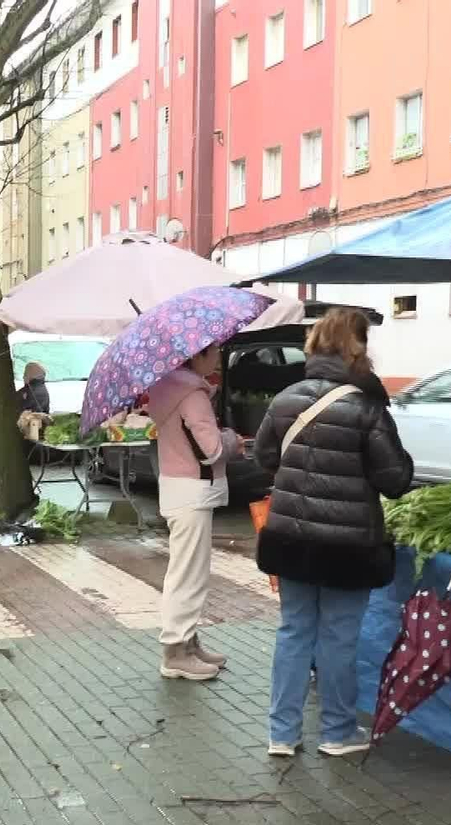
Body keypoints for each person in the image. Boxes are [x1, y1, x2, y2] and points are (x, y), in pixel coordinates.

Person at [255, 308, 413, 758]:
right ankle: (337, 732)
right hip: (347, 545)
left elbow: (265, 457)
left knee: (293, 632)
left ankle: (282, 734)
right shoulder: (365, 406)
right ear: (357, 347)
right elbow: (394, 480)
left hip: (290, 538)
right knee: (339, 637)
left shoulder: (285, 398)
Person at [146, 344, 241, 681]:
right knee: (188, 574)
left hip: (176, 486)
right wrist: (232, 440)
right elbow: (212, 449)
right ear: (196, 356)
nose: (218, 357)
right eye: (213, 351)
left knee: (186, 570)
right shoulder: (192, 395)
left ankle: (188, 641)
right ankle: (176, 652)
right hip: (193, 491)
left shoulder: (166, 389)